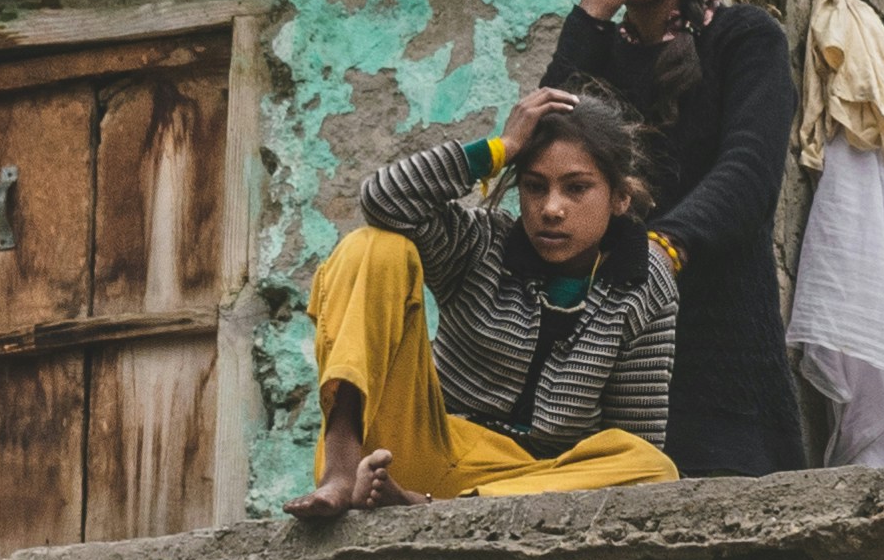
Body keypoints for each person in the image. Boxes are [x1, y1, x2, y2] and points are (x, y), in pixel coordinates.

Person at [289, 86, 680, 514]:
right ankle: (342, 466)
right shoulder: (480, 244)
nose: (551, 208)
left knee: (650, 465)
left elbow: (634, 437)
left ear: (619, 197)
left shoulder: (644, 282)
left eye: (576, 188)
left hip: (526, 481)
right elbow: (383, 201)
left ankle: (432, 505)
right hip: (411, 452)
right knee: (373, 246)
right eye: (534, 187)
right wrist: (501, 147)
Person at [545, 0, 804, 476]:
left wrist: (660, 250)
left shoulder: (745, 38)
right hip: (606, 346)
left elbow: (747, 173)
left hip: (720, 347)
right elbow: (546, 149)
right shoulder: (597, 52)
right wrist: (592, 12)